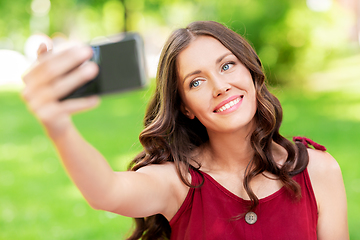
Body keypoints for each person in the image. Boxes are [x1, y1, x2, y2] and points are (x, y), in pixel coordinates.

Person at [21, 21, 348, 240]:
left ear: (249, 70)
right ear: (185, 107)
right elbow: (105, 191)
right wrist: (58, 125)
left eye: (227, 65)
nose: (220, 86)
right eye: (196, 81)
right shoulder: (178, 182)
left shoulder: (318, 170)